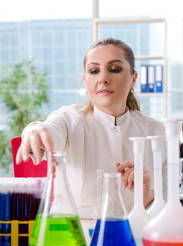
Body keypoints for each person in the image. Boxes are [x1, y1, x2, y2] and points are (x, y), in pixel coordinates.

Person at [16, 38, 166, 219]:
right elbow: (49, 130)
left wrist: (146, 196)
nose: (103, 79)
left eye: (115, 69)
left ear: (133, 78)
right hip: (72, 238)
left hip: (131, 238)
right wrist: (34, 129)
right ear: (85, 80)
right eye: (94, 71)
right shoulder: (69, 119)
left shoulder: (157, 132)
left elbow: (165, 213)